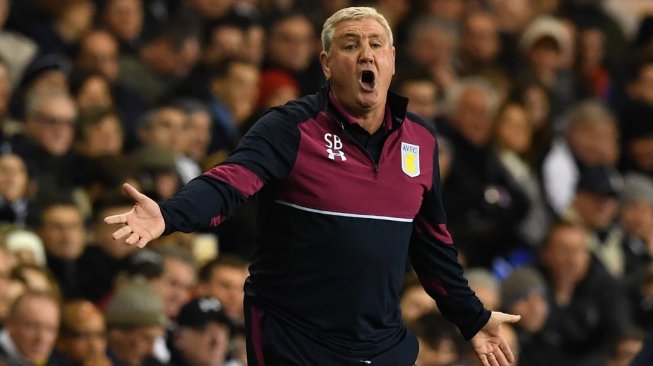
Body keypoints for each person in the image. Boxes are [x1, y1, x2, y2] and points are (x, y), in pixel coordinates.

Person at [106, 7, 520, 365]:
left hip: (381, 341)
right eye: (350, 44)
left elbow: (432, 245)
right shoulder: (290, 127)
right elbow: (229, 183)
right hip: (294, 339)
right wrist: (169, 213)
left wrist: (472, 317)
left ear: (392, 60)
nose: (366, 54)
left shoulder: (421, 140)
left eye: (376, 44)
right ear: (326, 63)